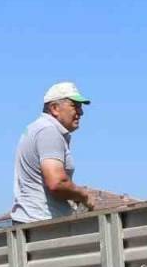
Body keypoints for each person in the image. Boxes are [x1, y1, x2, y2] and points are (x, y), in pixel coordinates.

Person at [11, 82, 97, 224]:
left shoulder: (36, 128)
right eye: (75, 105)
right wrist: (84, 195)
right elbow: (57, 183)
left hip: (31, 223)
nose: (80, 112)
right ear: (54, 108)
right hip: (42, 224)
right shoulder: (49, 131)